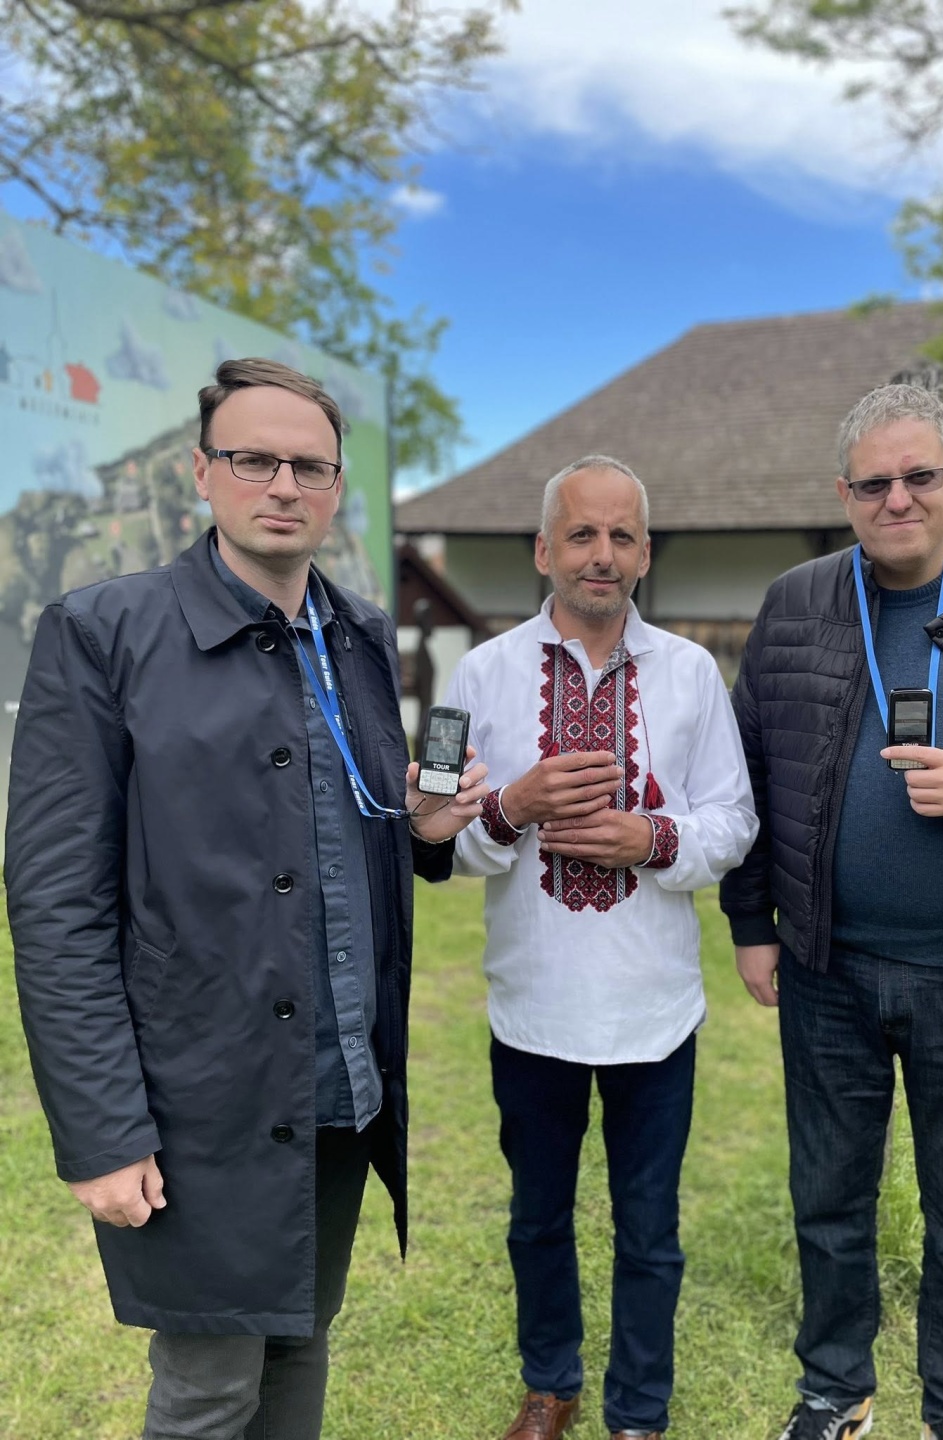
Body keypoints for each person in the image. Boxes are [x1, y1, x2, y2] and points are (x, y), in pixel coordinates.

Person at [5, 357, 487, 1440]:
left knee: (301, 1341)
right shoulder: (102, 633)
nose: (283, 485)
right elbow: (55, 904)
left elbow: (336, 824)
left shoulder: (359, 634)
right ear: (201, 473)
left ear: (336, 488)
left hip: (341, 1080)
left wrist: (418, 830)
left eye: (310, 466)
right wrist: (102, 1129)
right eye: (254, 459)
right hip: (200, 1098)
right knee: (209, 1391)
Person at [719, 384, 943, 1440]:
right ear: (844, 495)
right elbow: (750, 770)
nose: (898, 499)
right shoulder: (797, 602)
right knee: (830, 1202)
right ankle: (836, 1389)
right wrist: (750, 922)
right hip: (826, 971)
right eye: (873, 483)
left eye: (919, 476)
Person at [444, 456, 758, 1440]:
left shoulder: (692, 673)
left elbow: (735, 820)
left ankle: (638, 1409)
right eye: (582, 533)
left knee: (649, 1229)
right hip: (532, 1006)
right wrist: (510, 805)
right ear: (543, 549)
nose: (602, 554)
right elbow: (439, 842)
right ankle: (551, 1383)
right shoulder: (482, 675)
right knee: (536, 1219)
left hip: (653, 1010)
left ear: (646, 554)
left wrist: (651, 839)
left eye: (622, 536)